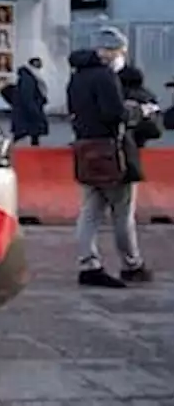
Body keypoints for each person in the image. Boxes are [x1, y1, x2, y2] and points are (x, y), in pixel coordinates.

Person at [66, 27, 151, 287]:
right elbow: (113, 113)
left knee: (89, 212)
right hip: (111, 153)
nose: (120, 56)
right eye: (118, 51)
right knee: (123, 214)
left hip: (85, 151)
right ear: (109, 51)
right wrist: (139, 112)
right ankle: (132, 264)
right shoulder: (105, 77)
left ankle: (88, 264)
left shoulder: (77, 77)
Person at [11, 57, 49, 146]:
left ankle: (32, 149)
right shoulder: (29, 77)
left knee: (31, 132)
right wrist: (34, 109)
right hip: (28, 109)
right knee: (27, 131)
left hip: (28, 108)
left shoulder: (30, 76)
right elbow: (27, 95)